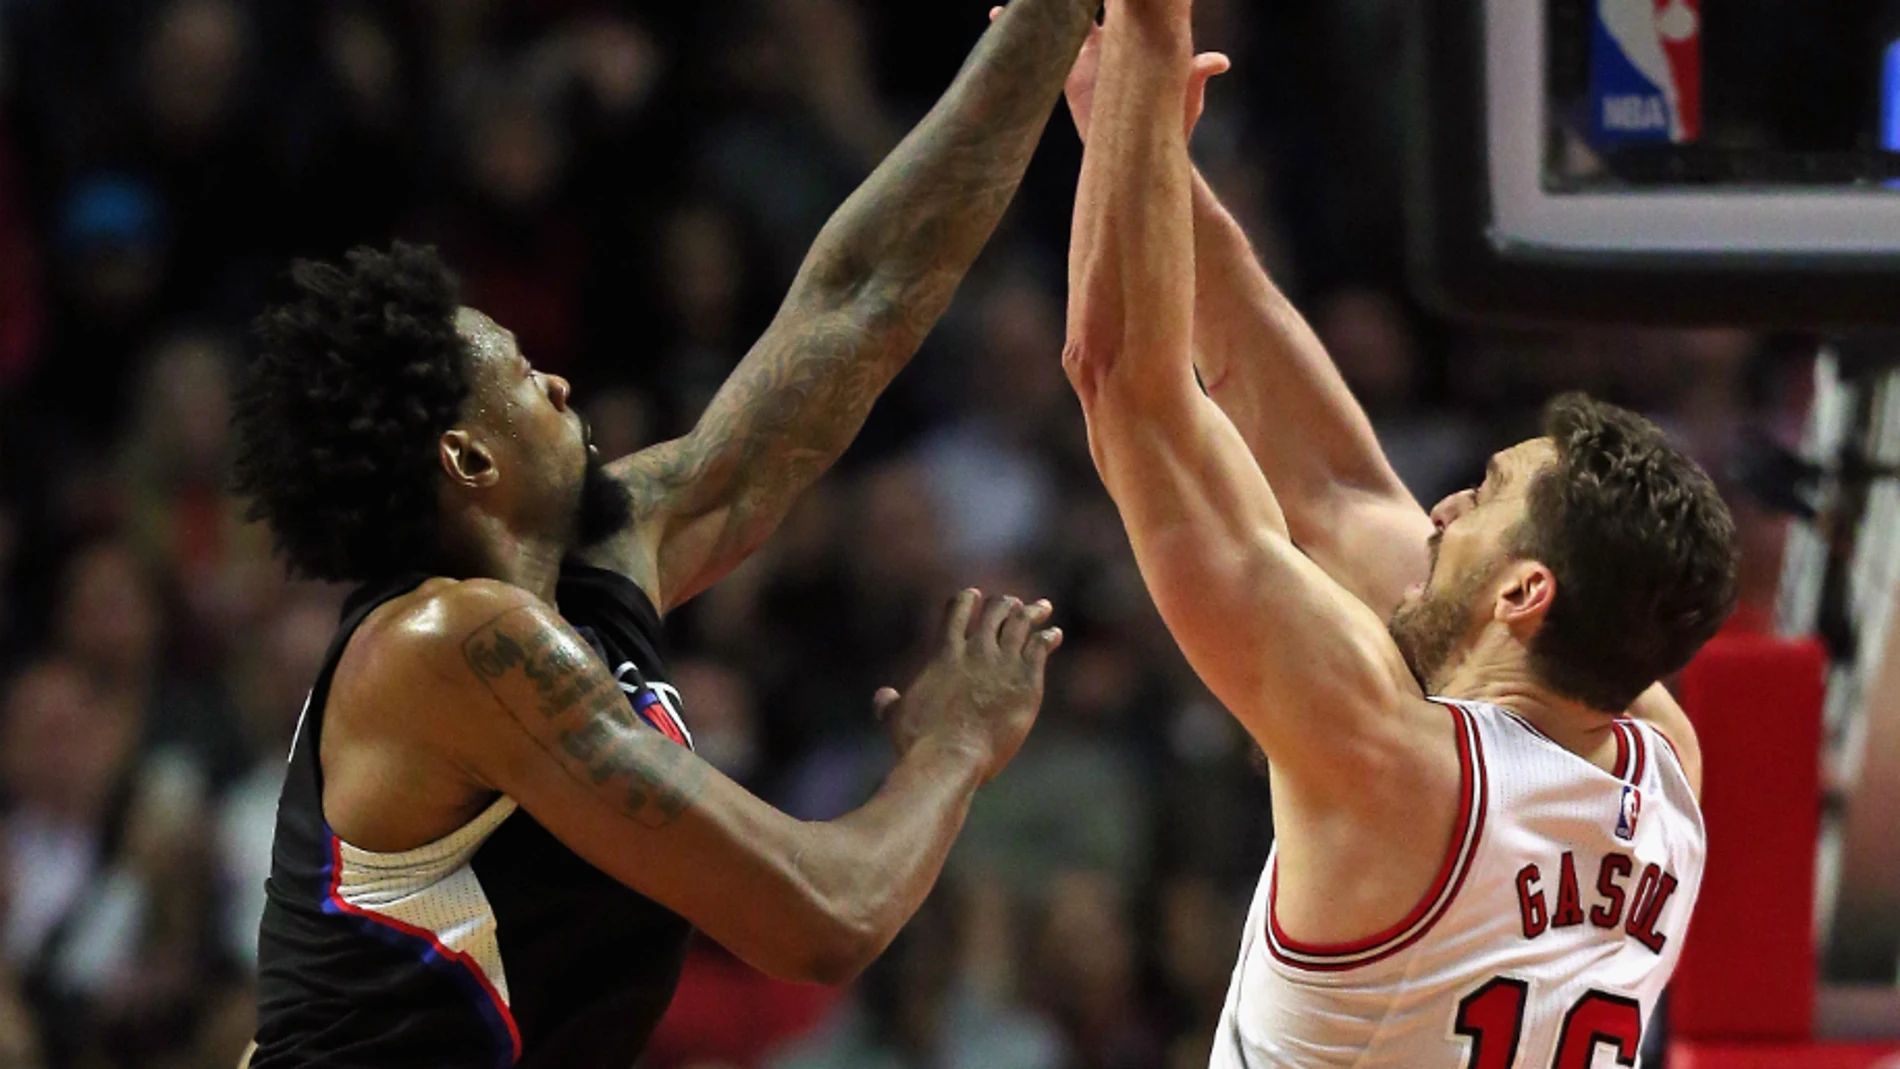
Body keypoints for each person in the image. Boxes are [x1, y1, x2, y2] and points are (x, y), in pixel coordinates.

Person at [231, 0, 1101, 1063]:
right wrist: (954, 748)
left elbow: (859, 299)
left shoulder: (593, 560)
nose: (557, 380)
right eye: (522, 376)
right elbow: (825, 914)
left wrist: (1049, 24)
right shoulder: (445, 648)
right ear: (468, 461)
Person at [1061, 1, 1739, 1065]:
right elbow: (1331, 485)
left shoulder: (1387, 764)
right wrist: (1144, 157)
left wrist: (1148, 39)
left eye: (1484, 493)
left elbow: (1126, 390)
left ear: (1525, 594)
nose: (1440, 510)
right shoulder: (1664, 767)